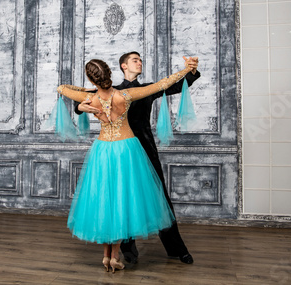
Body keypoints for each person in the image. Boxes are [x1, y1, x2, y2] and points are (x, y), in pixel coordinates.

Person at [57, 58, 197, 272]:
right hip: (127, 149)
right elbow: (163, 83)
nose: (139, 62)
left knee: (113, 198)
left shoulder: (91, 97)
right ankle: (120, 255)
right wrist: (186, 68)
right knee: (121, 198)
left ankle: (114, 256)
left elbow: (62, 88)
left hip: (111, 150)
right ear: (114, 71)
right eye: (135, 60)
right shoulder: (125, 94)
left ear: (92, 78)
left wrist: (87, 94)